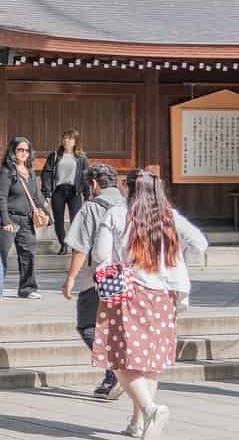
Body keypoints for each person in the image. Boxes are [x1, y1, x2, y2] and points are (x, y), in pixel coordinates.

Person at [92, 169, 207, 439]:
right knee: (149, 362)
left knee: (119, 359)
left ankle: (150, 409)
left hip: (128, 293)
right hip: (164, 295)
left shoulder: (118, 213)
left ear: (129, 188)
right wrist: (177, 260)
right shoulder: (169, 216)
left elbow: (100, 253)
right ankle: (138, 423)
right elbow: (200, 243)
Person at [61, 162, 126, 400]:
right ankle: (121, 373)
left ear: (94, 183)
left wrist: (70, 279)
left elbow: (80, 248)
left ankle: (114, 372)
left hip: (98, 277)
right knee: (118, 325)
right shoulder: (129, 205)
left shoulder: (91, 208)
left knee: (87, 324)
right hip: (129, 275)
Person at [0, 136, 43, 299]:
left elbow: (36, 196)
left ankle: (27, 288)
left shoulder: (30, 173)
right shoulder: (6, 172)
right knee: (1, 255)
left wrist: (46, 213)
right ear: (13, 151)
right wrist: (5, 220)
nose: (24, 153)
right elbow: (2, 198)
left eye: (26, 150)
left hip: (26, 219)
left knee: (28, 254)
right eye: (20, 149)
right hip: (8, 218)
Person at [42, 130, 89, 254]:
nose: (66, 141)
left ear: (75, 142)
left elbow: (85, 177)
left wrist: (87, 195)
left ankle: (74, 245)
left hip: (75, 192)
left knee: (75, 220)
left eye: (70, 139)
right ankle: (63, 244)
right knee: (58, 220)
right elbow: (46, 173)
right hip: (59, 191)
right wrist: (47, 193)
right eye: (65, 138)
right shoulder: (55, 155)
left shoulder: (81, 157)